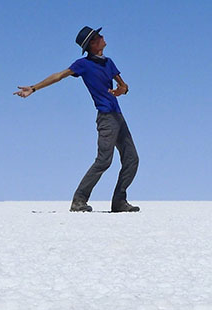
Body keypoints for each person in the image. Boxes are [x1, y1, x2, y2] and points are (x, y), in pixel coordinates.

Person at [15, 26, 140, 213]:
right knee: (104, 160)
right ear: (92, 43)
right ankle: (79, 200)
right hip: (106, 118)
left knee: (131, 159)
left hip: (118, 116)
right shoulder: (83, 64)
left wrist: (123, 89)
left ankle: (119, 202)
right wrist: (33, 88)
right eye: (99, 36)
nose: (103, 37)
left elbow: (124, 86)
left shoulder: (109, 62)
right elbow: (59, 76)